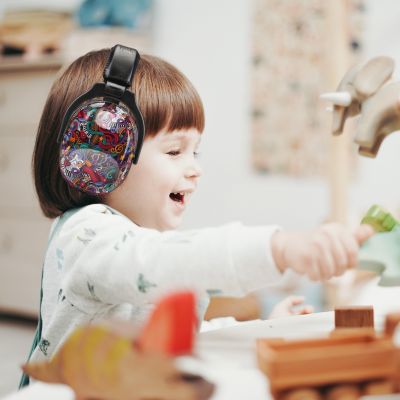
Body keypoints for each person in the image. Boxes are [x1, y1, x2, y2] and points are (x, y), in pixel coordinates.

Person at [28, 47, 373, 367]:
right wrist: (279, 249)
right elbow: (160, 263)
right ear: (100, 155)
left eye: (196, 152)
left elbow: (174, 337)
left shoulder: (143, 245)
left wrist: (261, 329)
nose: (195, 168)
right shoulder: (86, 239)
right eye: (174, 151)